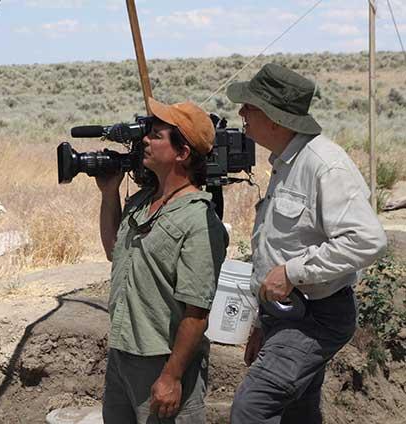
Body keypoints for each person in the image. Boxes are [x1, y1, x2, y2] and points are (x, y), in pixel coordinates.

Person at [226, 63, 387, 423]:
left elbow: (367, 239)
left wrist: (293, 271)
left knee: (252, 409)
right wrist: (261, 323)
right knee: (297, 413)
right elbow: (279, 247)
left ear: (275, 119)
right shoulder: (287, 163)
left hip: (316, 316)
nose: (241, 114)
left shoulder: (323, 165)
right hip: (286, 315)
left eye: (249, 107)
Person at [97, 97, 229, 423]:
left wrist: (171, 377)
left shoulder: (199, 221)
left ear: (182, 154)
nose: (145, 139)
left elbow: (197, 313)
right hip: (123, 352)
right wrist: (108, 194)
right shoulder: (143, 201)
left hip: (161, 362)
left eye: (156, 135)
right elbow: (115, 251)